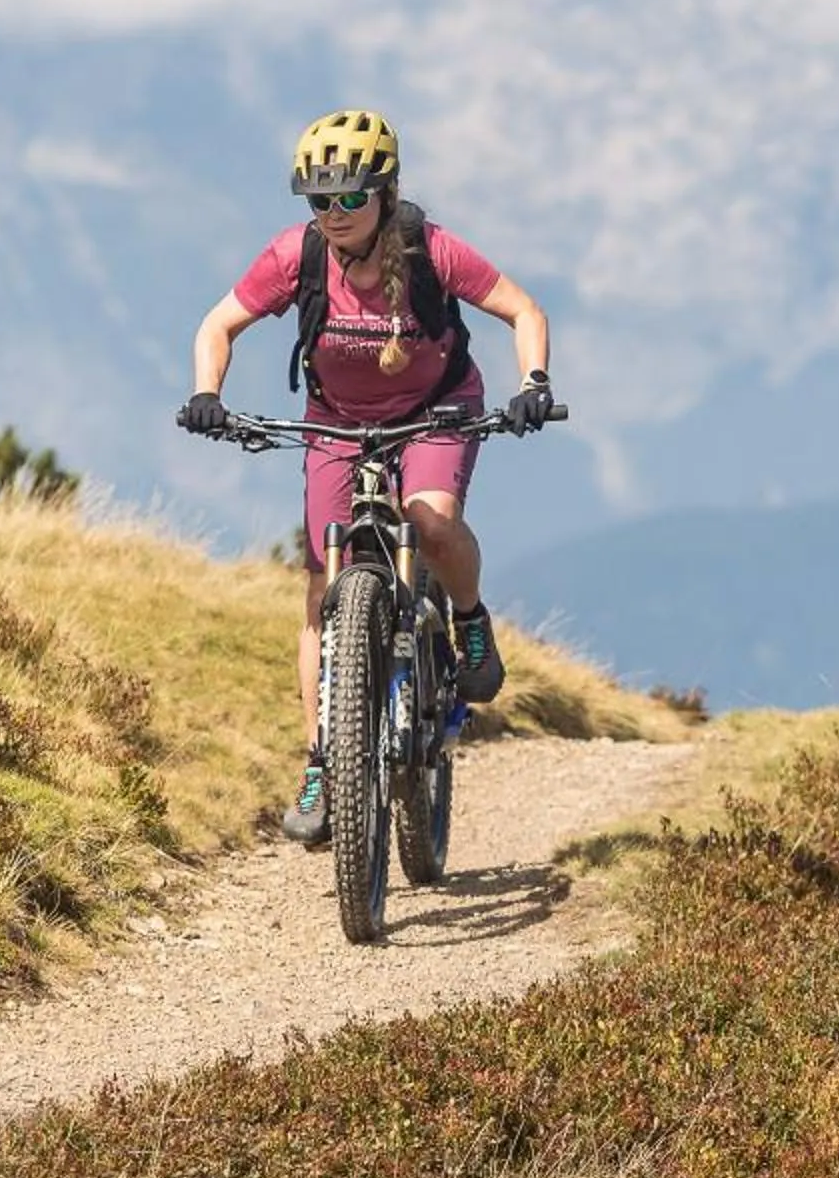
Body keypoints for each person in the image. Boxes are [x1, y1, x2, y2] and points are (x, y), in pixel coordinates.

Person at [177, 109, 555, 845]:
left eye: (350, 197)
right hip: (335, 421)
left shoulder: (430, 251)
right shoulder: (297, 256)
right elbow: (215, 326)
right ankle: (323, 762)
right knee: (323, 588)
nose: (334, 214)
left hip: (437, 407)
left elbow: (523, 309)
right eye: (319, 200)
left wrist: (534, 381)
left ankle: (470, 624)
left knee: (432, 520)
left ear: (384, 192)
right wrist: (206, 395)